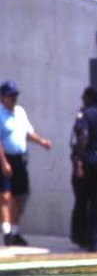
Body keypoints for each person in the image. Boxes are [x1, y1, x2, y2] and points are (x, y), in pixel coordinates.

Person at [0, 80, 52, 246]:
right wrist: (3, 163)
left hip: (20, 159)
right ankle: (6, 232)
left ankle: (15, 233)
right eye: (11, 96)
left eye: (15, 96)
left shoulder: (20, 112)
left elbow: (28, 133)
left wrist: (41, 141)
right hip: (5, 158)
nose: (14, 99)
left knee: (19, 197)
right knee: (5, 196)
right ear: (2, 97)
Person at [70, 86, 97, 252]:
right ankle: (94, 238)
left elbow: (83, 136)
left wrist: (79, 160)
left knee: (81, 200)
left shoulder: (84, 114)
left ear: (87, 98)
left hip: (88, 161)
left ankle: (80, 236)